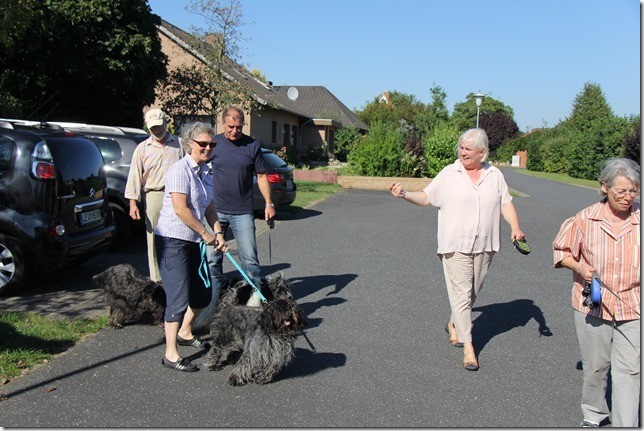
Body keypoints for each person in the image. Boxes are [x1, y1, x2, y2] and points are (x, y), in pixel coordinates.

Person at [389, 128, 525, 371]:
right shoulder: (449, 174)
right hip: (455, 245)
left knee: (471, 292)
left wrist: (515, 227)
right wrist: (404, 194)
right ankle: (469, 347)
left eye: (468, 149)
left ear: (482, 153)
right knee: (462, 294)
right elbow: (427, 197)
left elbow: (506, 203)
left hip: (485, 244)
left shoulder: (494, 175)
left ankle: (454, 324)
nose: (463, 152)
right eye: (461, 148)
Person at [553, 157, 640, 427]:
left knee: (631, 370)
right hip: (594, 305)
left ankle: (626, 424)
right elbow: (561, 251)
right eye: (621, 191)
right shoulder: (584, 219)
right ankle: (594, 415)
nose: (628, 197)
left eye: (633, 191)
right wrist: (580, 266)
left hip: (634, 306)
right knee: (596, 368)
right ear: (604, 187)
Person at [155, 122, 228, 372]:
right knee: (177, 299)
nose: (208, 148)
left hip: (195, 241)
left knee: (202, 295)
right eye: (203, 144)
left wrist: (218, 232)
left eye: (212, 144)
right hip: (172, 241)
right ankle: (170, 353)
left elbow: (209, 206)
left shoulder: (206, 171)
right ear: (189, 144)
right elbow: (180, 209)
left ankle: (186, 332)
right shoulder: (179, 170)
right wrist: (206, 234)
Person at [194, 106, 275, 327]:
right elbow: (198, 169)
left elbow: (261, 175)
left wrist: (268, 203)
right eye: (231, 127)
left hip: (242, 212)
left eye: (239, 127)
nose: (235, 131)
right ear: (223, 124)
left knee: (250, 261)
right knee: (212, 261)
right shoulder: (214, 144)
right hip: (215, 211)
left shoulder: (252, 145)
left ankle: (255, 309)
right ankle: (211, 307)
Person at [125, 108, 184, 282]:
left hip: (177, 195)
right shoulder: (142, 149)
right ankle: (157, 279)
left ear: (166, 123)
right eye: (152, 128)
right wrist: (133, 203)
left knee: (179, 235)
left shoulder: (179, 144)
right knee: (153, 238)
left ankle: (178, 273)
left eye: (159, 126)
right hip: (154, 196)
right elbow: (134, 176)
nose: (157, 130)